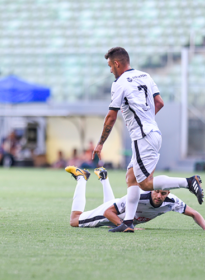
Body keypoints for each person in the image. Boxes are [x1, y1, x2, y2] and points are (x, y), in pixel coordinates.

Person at [92, 47, 204, 232]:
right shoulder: (145, 76)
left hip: (142, 136)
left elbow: (111, 117)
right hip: (152, 132)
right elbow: (159, 102)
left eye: (110, 66)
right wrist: (147, 119)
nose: (110, 70)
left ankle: (189, 181)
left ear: (117, 63)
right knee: (131, 178)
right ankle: (128, 223)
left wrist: (100, 143)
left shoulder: (119, 83)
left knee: (145, 183)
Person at [66, 166, 205, 231]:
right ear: (152, 189)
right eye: (156, 191)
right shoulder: (139, 195)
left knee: (113, 205)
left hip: (117, 210)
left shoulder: (172, 201)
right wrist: (126, 225)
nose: (158, 196)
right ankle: (82, 177)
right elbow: (108, 212)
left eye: (163, 194)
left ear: (168, 193)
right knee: (74, 220)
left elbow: (194, 213)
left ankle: (104, 177)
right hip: (110, 213)